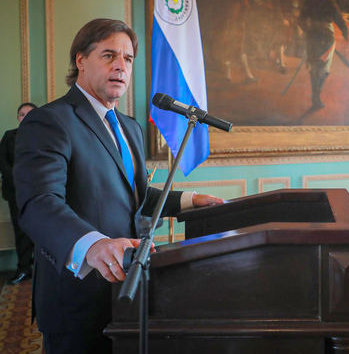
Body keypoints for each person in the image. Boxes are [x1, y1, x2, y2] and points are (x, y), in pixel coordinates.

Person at [13, 18, 224, 354]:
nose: (120, 66)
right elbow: (38, 202)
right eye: (108, 55)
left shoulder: (129, 127)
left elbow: (132, 196)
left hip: (131, 287)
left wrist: (189, 200)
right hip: (77, 294)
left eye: (127, 59)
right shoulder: (51, 121)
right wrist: (93, 245)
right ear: (80, 60)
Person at [299, 0, 348, 110]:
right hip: (326, 34)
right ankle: (317, 95)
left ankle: (315, 95)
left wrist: (307, 30)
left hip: (312, 34)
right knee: (324, 68)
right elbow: (338, 17)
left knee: (314, 66)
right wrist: (344, 30)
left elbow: (300, 20)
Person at [0, 102, 37, 284]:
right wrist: (18, 181)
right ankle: (23, 269)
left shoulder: (44, 137)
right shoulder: (9, 136)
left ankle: (39, 268)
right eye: (21, 114)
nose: (24, 117)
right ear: (17, 117)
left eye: (29, 114)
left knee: (40, 230)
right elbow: (3, 163)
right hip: (15, 192)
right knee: (20, 231)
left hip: (38, 192)